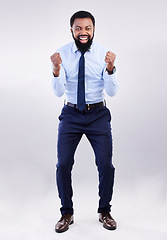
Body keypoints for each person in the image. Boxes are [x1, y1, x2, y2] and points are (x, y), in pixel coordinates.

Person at [50, 10, 118, 233]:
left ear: (93, 30)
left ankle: (104, 210)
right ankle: (66, 213)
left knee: (105, 164)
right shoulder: (61, 53)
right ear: (72, 30)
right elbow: (58, 93)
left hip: (98, 114)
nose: (83, 32)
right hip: (71, 115)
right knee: (63, 165)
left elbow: (112, 92)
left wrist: (110, 69)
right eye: (78, 28)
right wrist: (56, 70)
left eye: (87, 28)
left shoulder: (103, 53)